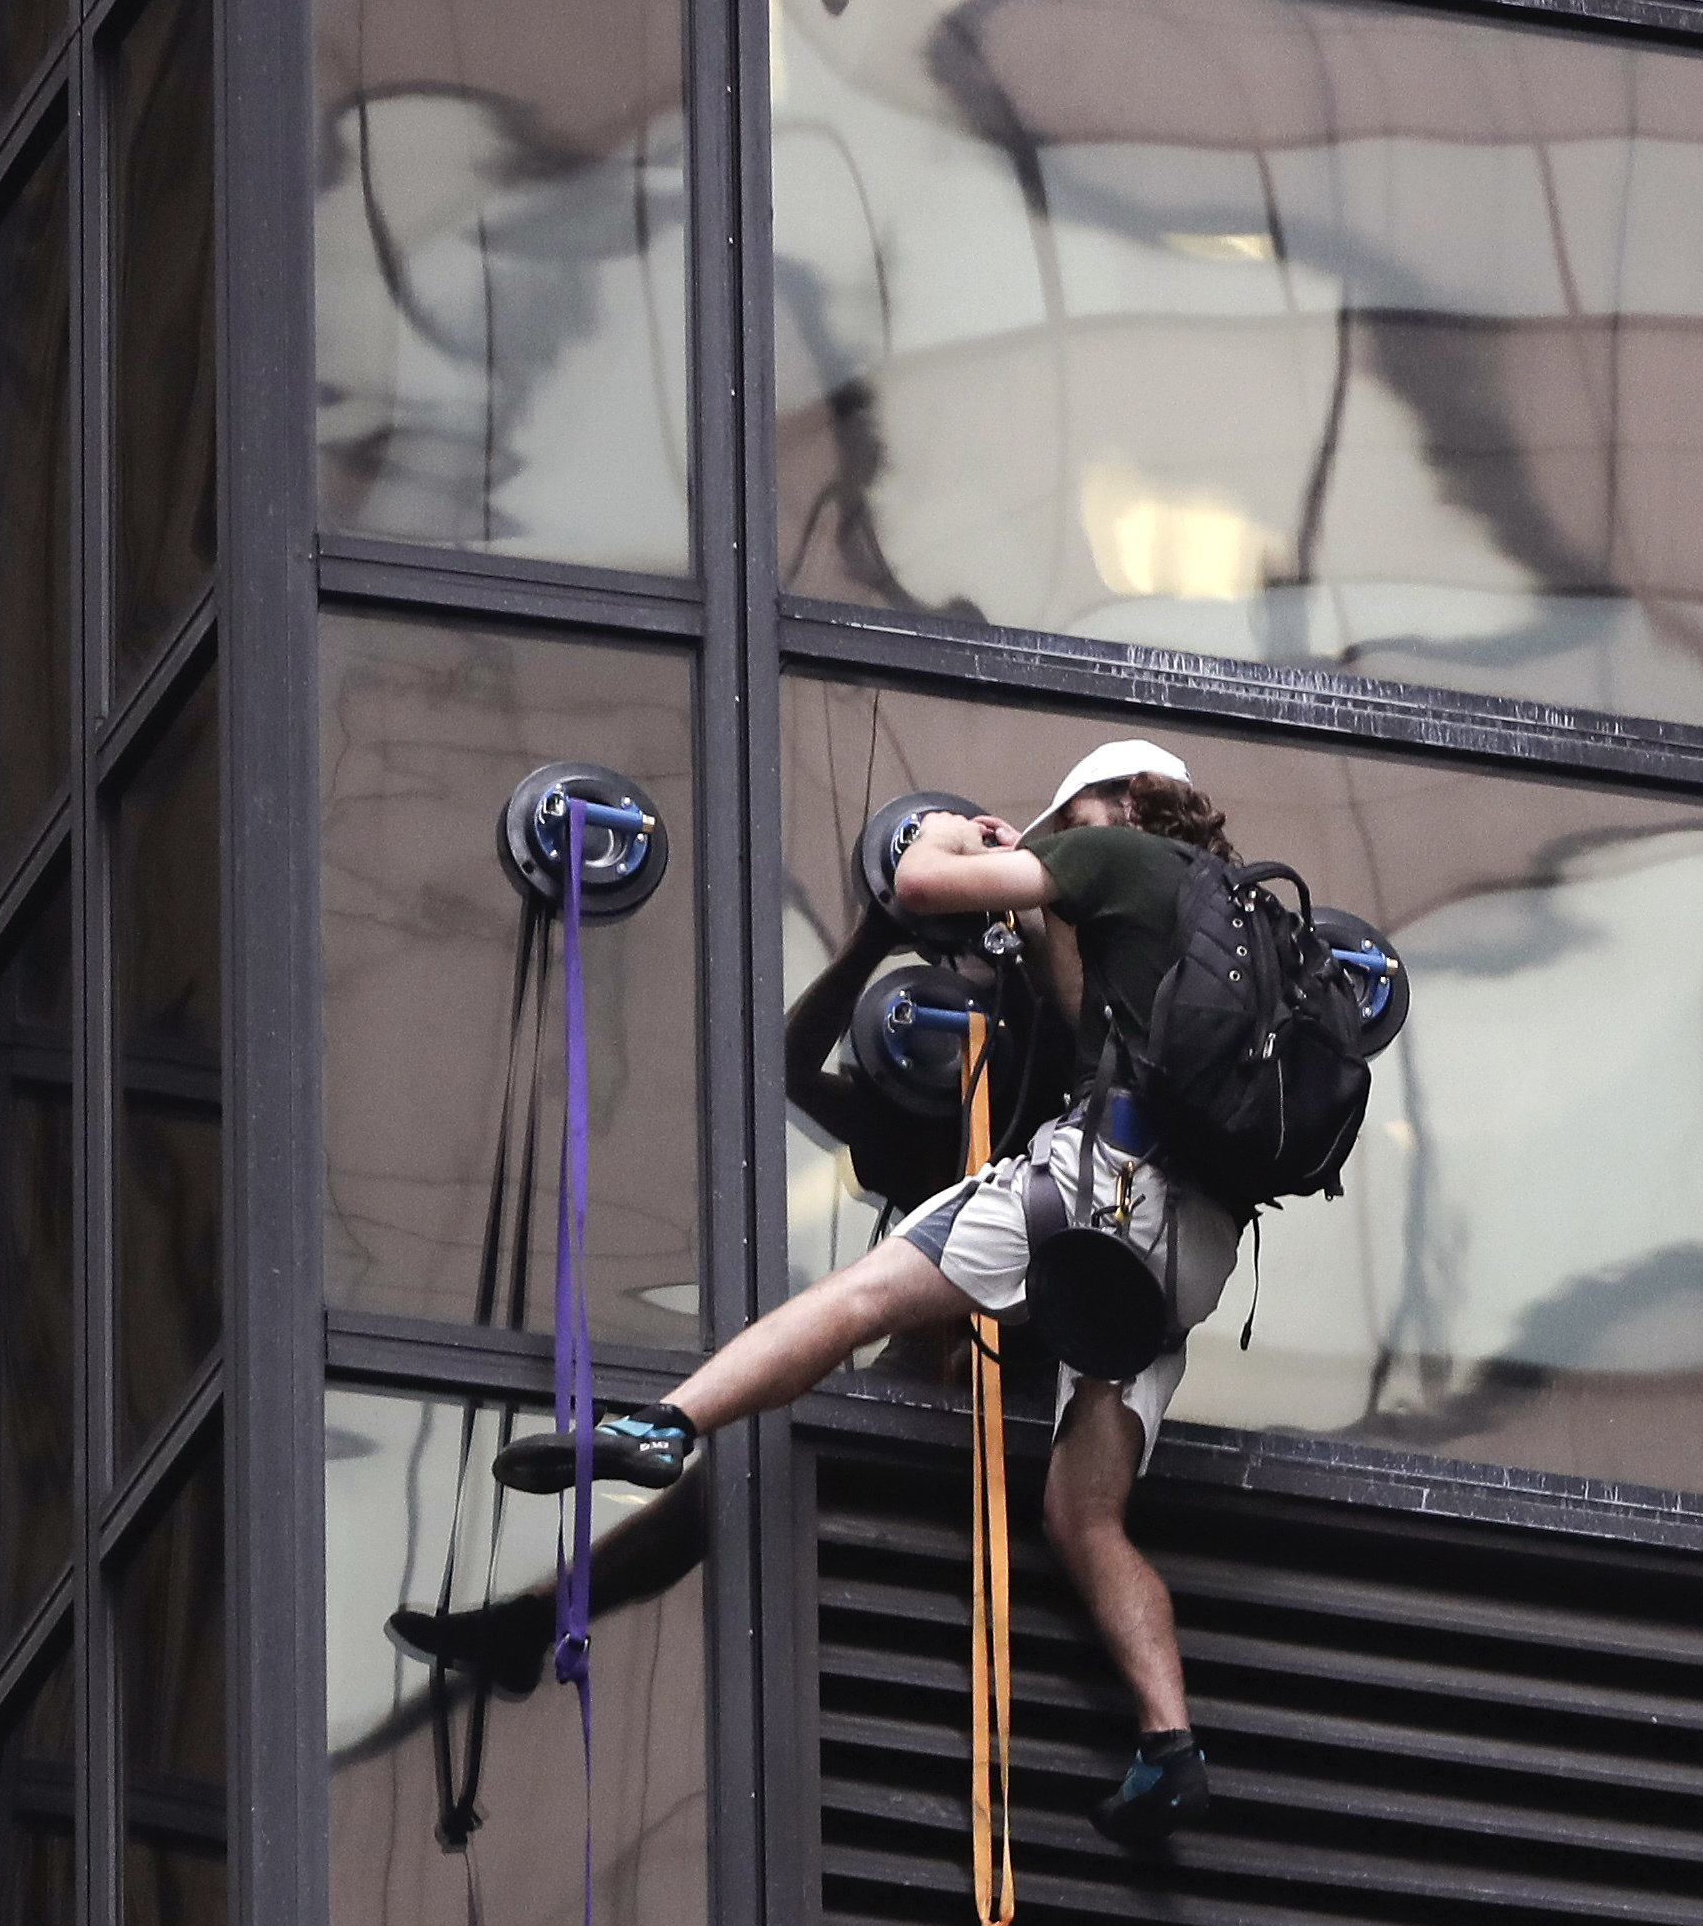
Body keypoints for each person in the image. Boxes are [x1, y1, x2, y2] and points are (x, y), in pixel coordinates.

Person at [490, 739, 1250, 1843]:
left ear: (1128, 801)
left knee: (859, 1298)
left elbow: (918, 883)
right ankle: (1170, 1747)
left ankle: (669, 1424)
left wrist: (972, 841)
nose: (1059, 832)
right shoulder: (1239, 922)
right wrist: (1047, 923)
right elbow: (1097, 1021)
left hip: (1099, 1194)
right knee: (1088, 1514)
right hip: (1195, 1252)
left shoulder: (1118, 855)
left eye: (1071, 808)